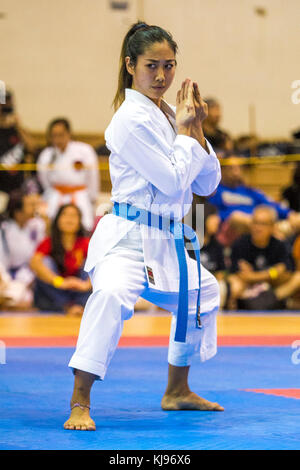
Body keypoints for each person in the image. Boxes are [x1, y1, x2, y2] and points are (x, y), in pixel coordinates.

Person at [64, 22, 223, 431]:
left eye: (169, 66)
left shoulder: (171, 114)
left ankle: (177, 390)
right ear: (131, 65)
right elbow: (172, 181)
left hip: (167, 239)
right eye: (152, 65)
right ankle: (80, 400)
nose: (161, 76)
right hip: (128, 238)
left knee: (203, 293)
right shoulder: (128, 120)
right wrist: (188, 133)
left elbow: (207, 183)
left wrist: (196, 127)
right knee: (113, 294)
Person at [208, 154, 294, 246]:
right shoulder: (217, 191)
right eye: (231, 168)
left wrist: (290, 214)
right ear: (222, 170)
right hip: (232, 226)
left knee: (293, 220)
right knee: (237, 217)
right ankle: (270, 231)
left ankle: (270, 231)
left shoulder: (249, 191)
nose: (236, 172)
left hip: (259, 220)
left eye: (238, 168)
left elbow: (269, 205)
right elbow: (214, 212)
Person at [36, 118, 100, 231]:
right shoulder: (47, 154)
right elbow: (44, 179)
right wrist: (51, 193)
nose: (57, 139)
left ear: (69, 133)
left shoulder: (84, 150)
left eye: (61, 135)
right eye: (54, 135)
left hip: (80, 194)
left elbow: (92, 176)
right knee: (51, 225)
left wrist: (92, 197)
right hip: (56, 194)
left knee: (85, 225)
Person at [30, 204, 91, 316]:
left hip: (80, 290)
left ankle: (79, 305)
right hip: (56, 290)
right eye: (65, 215)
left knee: (91, 264)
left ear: (80, 221)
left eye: (74, 216)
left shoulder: (86, 242)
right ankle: (68, 306)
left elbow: (102, 265)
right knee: (45, 262)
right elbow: (34, 263)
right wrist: (60, 282)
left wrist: (86, 284)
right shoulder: (48, 242)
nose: (69, 219)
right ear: (57, 220)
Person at [227, 205, 292, 310]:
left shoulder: (280, 245)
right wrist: (271, 273)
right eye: (255, 223)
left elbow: (285, 272)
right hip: (248, 289)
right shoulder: (240, 243)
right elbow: (238, 274)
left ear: (272, 227)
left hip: (273, 289)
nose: (258, 228)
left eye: (263, 224)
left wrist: (255, 276)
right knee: (235, 285)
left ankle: (269, 301)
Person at [0, 189, 46, 309]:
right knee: (14, 293)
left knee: (24, 298)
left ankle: (8, 299)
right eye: (30, 205)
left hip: (27, 275)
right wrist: (4, 280)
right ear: (18, 211)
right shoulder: (4, 229)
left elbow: (39, 254)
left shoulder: (37, 225)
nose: (34, 208)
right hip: (5, 274)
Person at [0, 89, 37, 196]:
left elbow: (33, 148)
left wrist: (18, 126)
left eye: (8, 103)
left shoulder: (18, 130)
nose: (5, 107)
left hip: (17, 186)